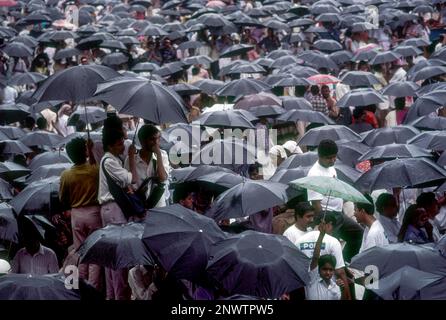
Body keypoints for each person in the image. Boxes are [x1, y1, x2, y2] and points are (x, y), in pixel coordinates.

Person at [99, 117, 138, 300]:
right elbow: (130, 179)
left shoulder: (110, 159)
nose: (124, 145)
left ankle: (112, 295)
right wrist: (130, 158)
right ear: (113, 144)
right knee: (117, 258)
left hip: (109, 210)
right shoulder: (109, 161)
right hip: (113, 210)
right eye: (121, 142)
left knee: (111, 259)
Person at [307, 139, 363, 262]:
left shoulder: (332, 168)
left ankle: (346, 261)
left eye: (334, 157)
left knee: (358, 233)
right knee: (332, 246)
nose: (332, 161)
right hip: (328, 216)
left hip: (339, 214)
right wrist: (324, 223)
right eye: (329, 158)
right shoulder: (314, 174)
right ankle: (337, 268)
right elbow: (315, 203)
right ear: (320, 156)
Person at [59, 137, 102, 290]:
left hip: (76, 215)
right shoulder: (94, 169)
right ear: (84, 151)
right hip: (94, 213)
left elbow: (62, 198)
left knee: (81, 252)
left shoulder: (66, 174)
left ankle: (82, 287)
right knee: (95, 254)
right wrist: (91, 150)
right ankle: (94, 288)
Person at [296, 213, 351, 300]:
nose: (328, 272)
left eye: (330, 270)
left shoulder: (299, 241)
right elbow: (340, 272)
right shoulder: (333, 241)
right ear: (329, 225)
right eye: (334, 228)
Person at [124, 124, 169, 208]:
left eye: (158, 138)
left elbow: (162, 178)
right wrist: (131, 158)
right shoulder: (131, 159)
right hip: (140, 206)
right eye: (152, 139)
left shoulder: (163, 155)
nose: (156, 143)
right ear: (142, 141)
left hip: (159, 204)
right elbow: (130, 183)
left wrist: (158, 154)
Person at [305, 220, 344, 300]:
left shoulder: (336, 287)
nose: (328, 272)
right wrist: (321, 235)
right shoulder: (312, 280)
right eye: (325, 269)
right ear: (318, 270)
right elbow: (315, 258)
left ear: (334, 271)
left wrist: (342, 289)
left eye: (331, 270)